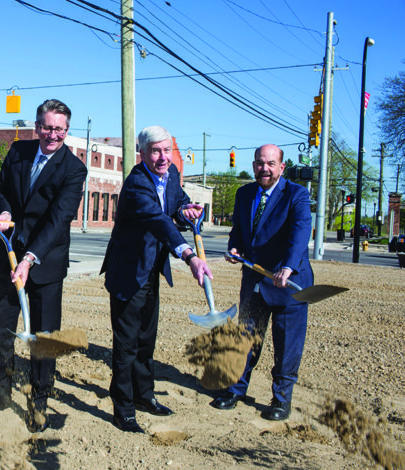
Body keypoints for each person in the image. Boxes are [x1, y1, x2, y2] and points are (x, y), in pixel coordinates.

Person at [0, 99, 87, 433]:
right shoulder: (18, 151)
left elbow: (58, 219)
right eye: (48, 127)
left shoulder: (73, 168)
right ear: (37, 126)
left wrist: (29, 259)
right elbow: (1, 189)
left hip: (45, 264)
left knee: (43, 338)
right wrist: (5, 211)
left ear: (67, 130)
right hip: (8, 256)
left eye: (60, 129)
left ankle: (39, 403)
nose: (53, 135)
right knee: (2, 331)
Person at [101, 126, 211, 433]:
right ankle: (123, 409)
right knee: (126, 345)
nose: (163, 157)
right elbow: (159, 221)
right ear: (143, 154)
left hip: (152, 270)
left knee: (146, 340)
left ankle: (144, 396)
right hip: (127, 272)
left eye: (166, 150)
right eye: (155, 151)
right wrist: (189, 255)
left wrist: (186, 208)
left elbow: (175, 202)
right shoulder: (136, 184)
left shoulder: (171, 173)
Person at [212, 143, 313, 421]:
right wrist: (234, 248)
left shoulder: (297, 195)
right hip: (255, 279)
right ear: (254, 165)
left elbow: (300, 232)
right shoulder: (244, 193)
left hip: (287, 283)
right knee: (245, 338)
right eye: (259, 163)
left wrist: (289, 266)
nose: (264, 169)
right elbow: (239, 231)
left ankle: (281, 400)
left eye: (270, 164)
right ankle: (235, 389)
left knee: (286, 345)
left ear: (281, 167)